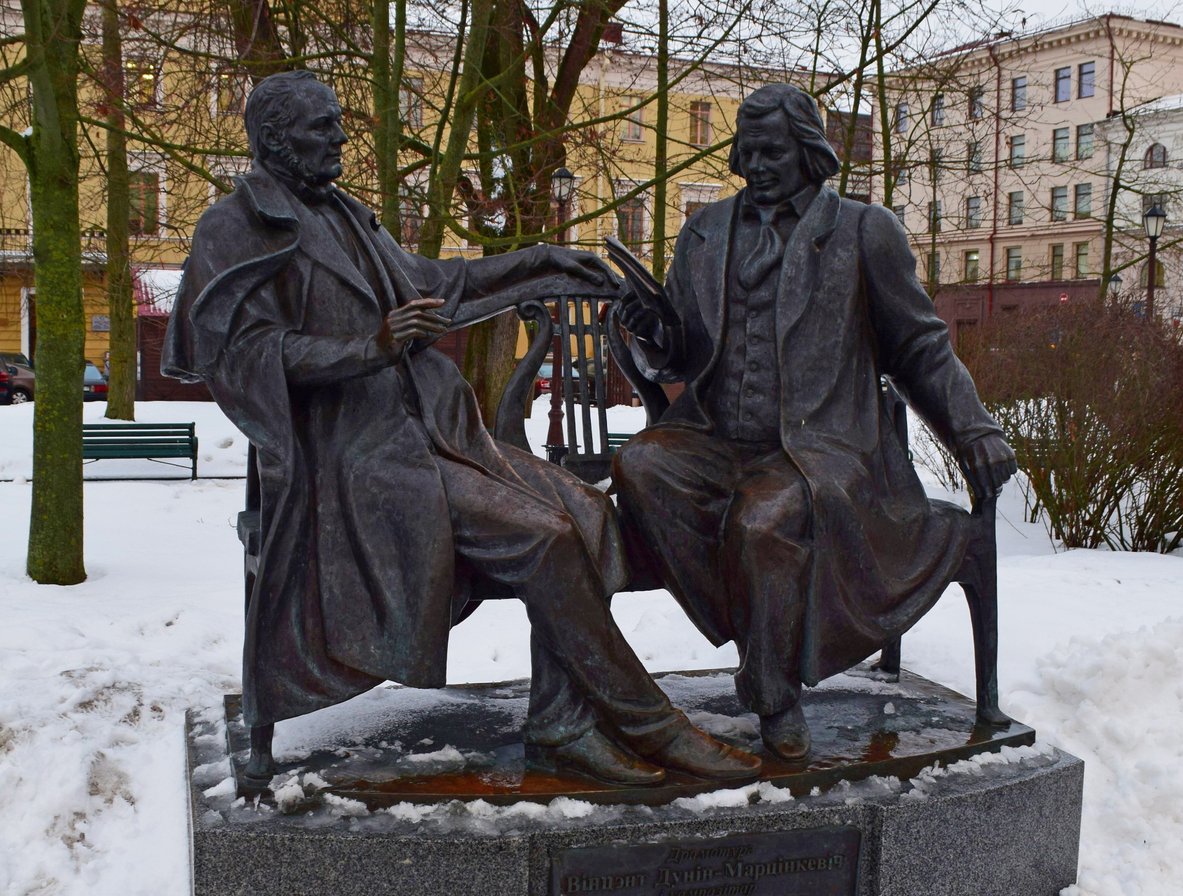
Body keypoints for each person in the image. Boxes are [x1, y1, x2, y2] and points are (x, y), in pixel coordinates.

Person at [163, 70, 759, 786]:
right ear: (276, 138)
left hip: (441, 434)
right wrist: (370, 348)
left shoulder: (347, 214)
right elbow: (238, 355)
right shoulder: (234, 226)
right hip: (354, 461)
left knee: (590, 515)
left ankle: (564, 726)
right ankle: (649, 726)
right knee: (545, 536)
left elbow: (439, 285)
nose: (342, 136)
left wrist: (541, 265)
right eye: (324, 126)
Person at [612, 84, 1017, 762]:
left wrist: (974, 430)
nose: (758, 164)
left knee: (761, 521)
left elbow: (918, 344)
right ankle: (755, 629)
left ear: (809, 150)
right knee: (641, 464)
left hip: (820, 447)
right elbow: (681, 349)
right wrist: (654, 332)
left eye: (773, 151)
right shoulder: (705, 230)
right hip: (715, 435)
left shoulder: (863, 231)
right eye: (748, 151)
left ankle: (772, 693)